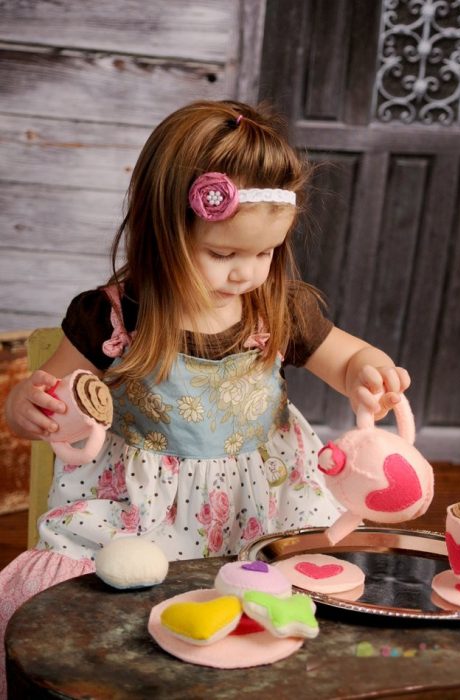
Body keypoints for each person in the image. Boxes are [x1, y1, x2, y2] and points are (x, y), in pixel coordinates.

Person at [1, 100, 409, 691]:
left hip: (265, 499)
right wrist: (28, 408)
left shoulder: (278, 307)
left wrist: (369, 370)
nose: (247, 274)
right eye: (224, 254)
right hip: (143, 511)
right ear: (163, 231)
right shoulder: (114, 315)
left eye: (265, 253)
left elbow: (346, 359)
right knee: (116, 619)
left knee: (281, 609)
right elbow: (53, 396)